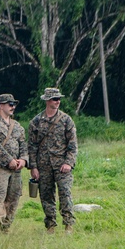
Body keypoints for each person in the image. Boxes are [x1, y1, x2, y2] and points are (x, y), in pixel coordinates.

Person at [29, 87, 79, 233]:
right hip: (43, 165)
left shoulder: (66, 120)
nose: (58, 102)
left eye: (59, 99)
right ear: (47, 100)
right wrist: (33, 167)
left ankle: (68, 224)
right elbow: (32, 146)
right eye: (55, 99)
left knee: (65, 193)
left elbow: (73, 145)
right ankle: (50, 225)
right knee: (46, 196)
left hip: (62, 165)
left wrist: (68, 163)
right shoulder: (36, 122)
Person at [0, 94, 29, 234]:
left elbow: (23, 144)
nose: (12, 107)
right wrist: (9, 160)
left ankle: (6, 226)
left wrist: (23, 159)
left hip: (16, 169)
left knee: (14, 197)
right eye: (9, 104)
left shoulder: (17, 126)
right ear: (1, 105)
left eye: (14, 104)